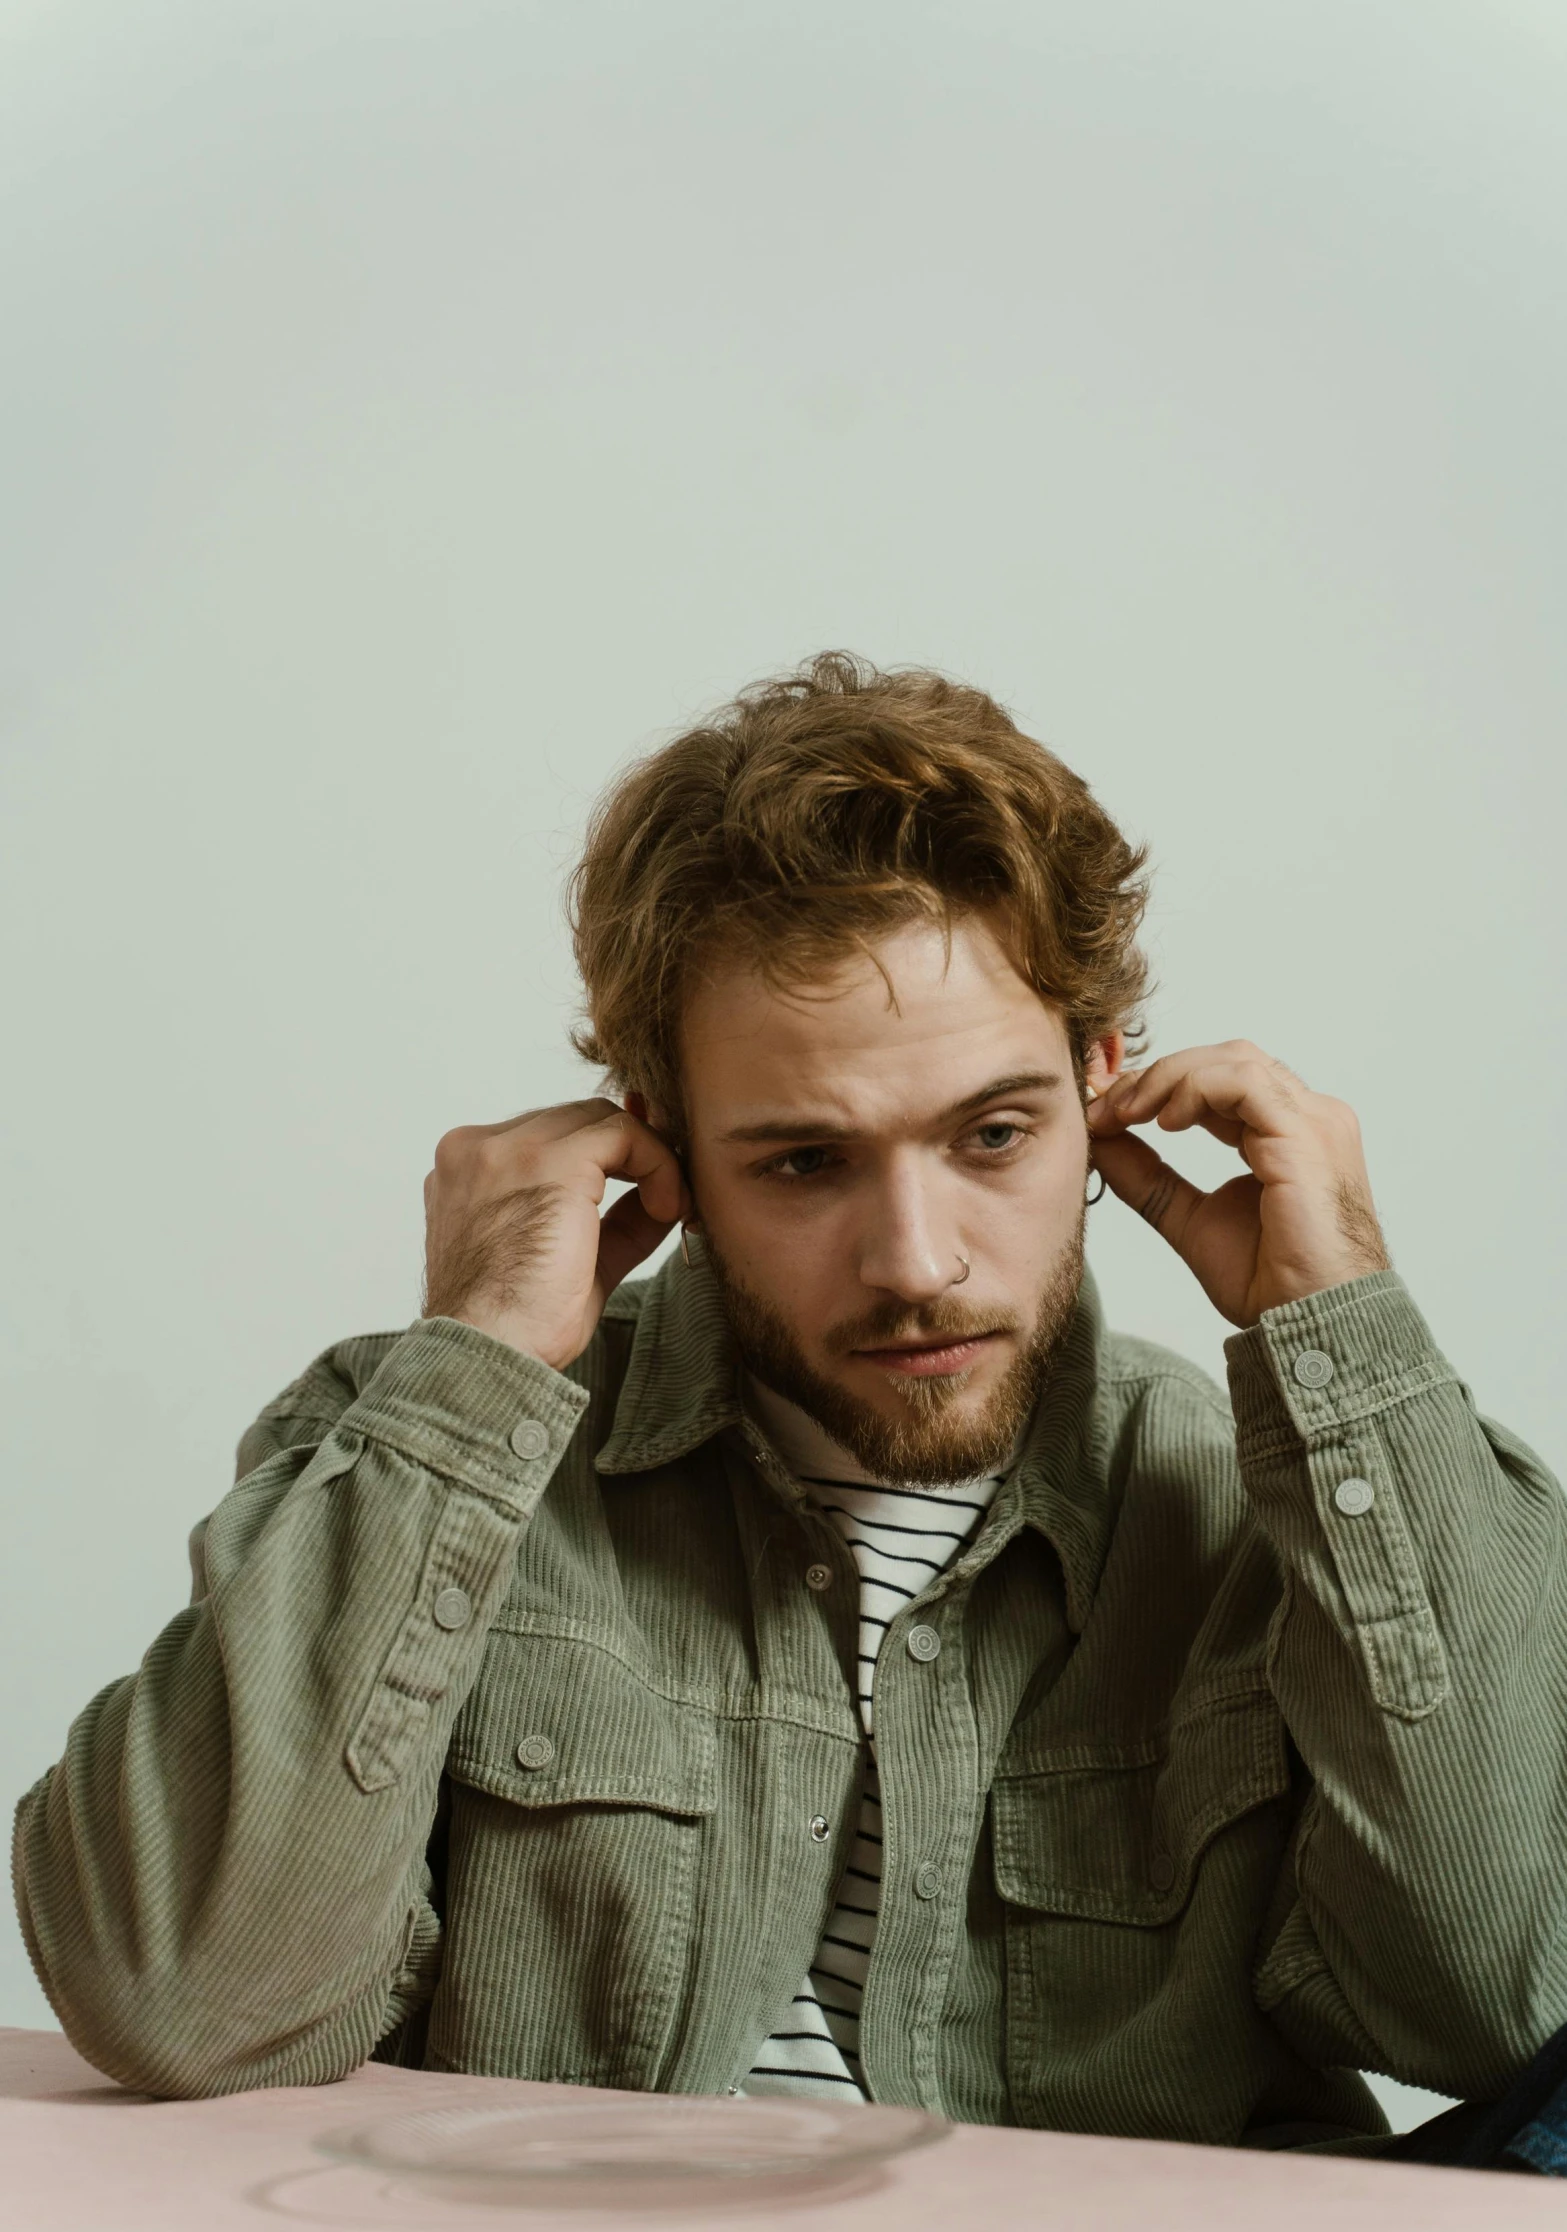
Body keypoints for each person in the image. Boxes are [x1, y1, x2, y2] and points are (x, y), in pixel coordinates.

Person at [14, 652, 1567, 2153]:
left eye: (992, 1135)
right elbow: (182, 2000)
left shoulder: (1257, 1508)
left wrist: (1346, 1335)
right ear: (662, 1137)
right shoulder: (426, 1449)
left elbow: (1511, 2010)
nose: (913, 1261)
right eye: (803, 1161)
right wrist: (478, 1352)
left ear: (1101, 1091)